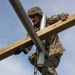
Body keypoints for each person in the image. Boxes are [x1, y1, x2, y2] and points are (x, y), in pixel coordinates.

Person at [15, 6, 69, 75]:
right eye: (31, 18)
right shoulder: (32, 30)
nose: (32, 19)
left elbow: (61, 16)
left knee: (48, 68)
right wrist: (20, 49)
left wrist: (63, 17)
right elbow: (28, 43)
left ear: (39, 15)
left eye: (34, 17)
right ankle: (46, 73)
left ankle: (47, 71)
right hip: (43, 51)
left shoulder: (48, 21)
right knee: (32, 58)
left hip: (54, 50)